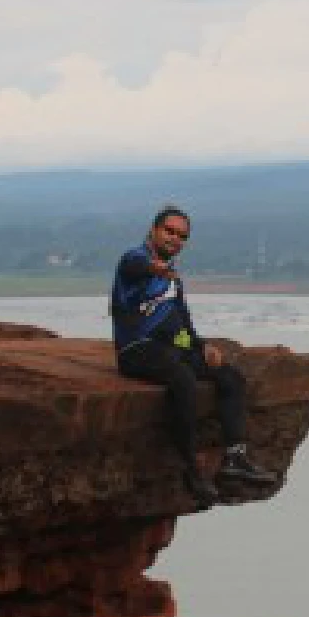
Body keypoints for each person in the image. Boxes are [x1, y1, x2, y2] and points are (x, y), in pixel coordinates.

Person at [110, 205, 277, 506]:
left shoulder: (174, 280)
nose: (175, 239)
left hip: (170, 347)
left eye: (182, 236)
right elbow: (134, 266)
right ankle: (190, 469)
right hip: (137, 350)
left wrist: (201, 346)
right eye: (169, 231)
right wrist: (153, 268)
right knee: (182, 380)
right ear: (153, 230)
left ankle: (235, 459)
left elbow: (181, 323)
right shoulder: (134, 260)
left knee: (229, 377)